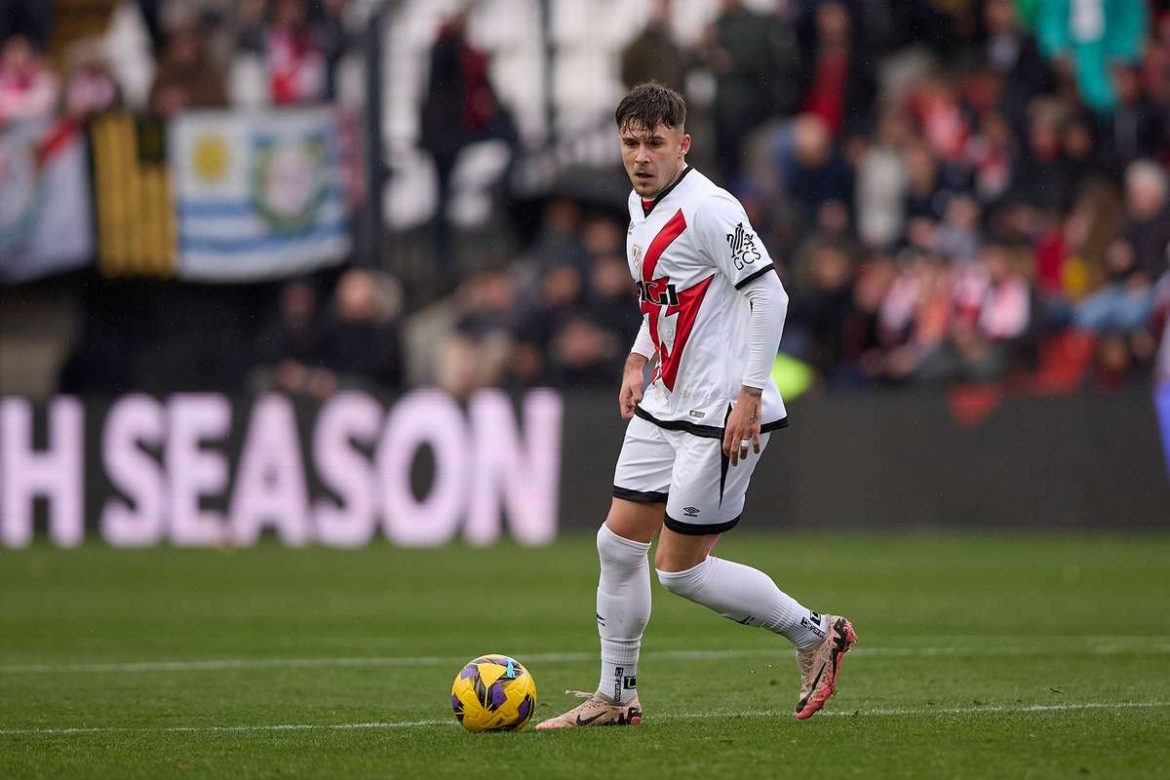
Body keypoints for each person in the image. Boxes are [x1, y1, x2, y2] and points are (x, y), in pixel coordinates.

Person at [535, 83, 856, 730]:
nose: (641, 155)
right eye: (631, 142)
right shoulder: (639, 204)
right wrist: (638, 357)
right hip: (666, 402)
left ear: (682, 144)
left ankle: (816, 632)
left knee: (680, 572)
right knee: (616, 545)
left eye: (654, 143)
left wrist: (751, 394)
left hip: (718, 412)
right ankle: (616, 696)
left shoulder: (711, 208)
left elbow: (771, 297)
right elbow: (665, 295)